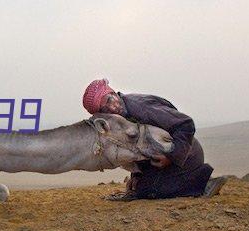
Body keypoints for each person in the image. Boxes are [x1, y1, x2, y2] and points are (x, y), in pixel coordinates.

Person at [82, 79, 227, 200]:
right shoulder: (122, 117)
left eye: (109, 99)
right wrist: (136, 175)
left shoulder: (141, 108)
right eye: (105, 109)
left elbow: (185, 124)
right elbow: (139, 147)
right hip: (161, 158)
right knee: (138, 189)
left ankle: (204, 182)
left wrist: (171, 156)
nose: (112, 108)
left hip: (185, 153)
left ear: (113, 92)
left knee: (150, 192)